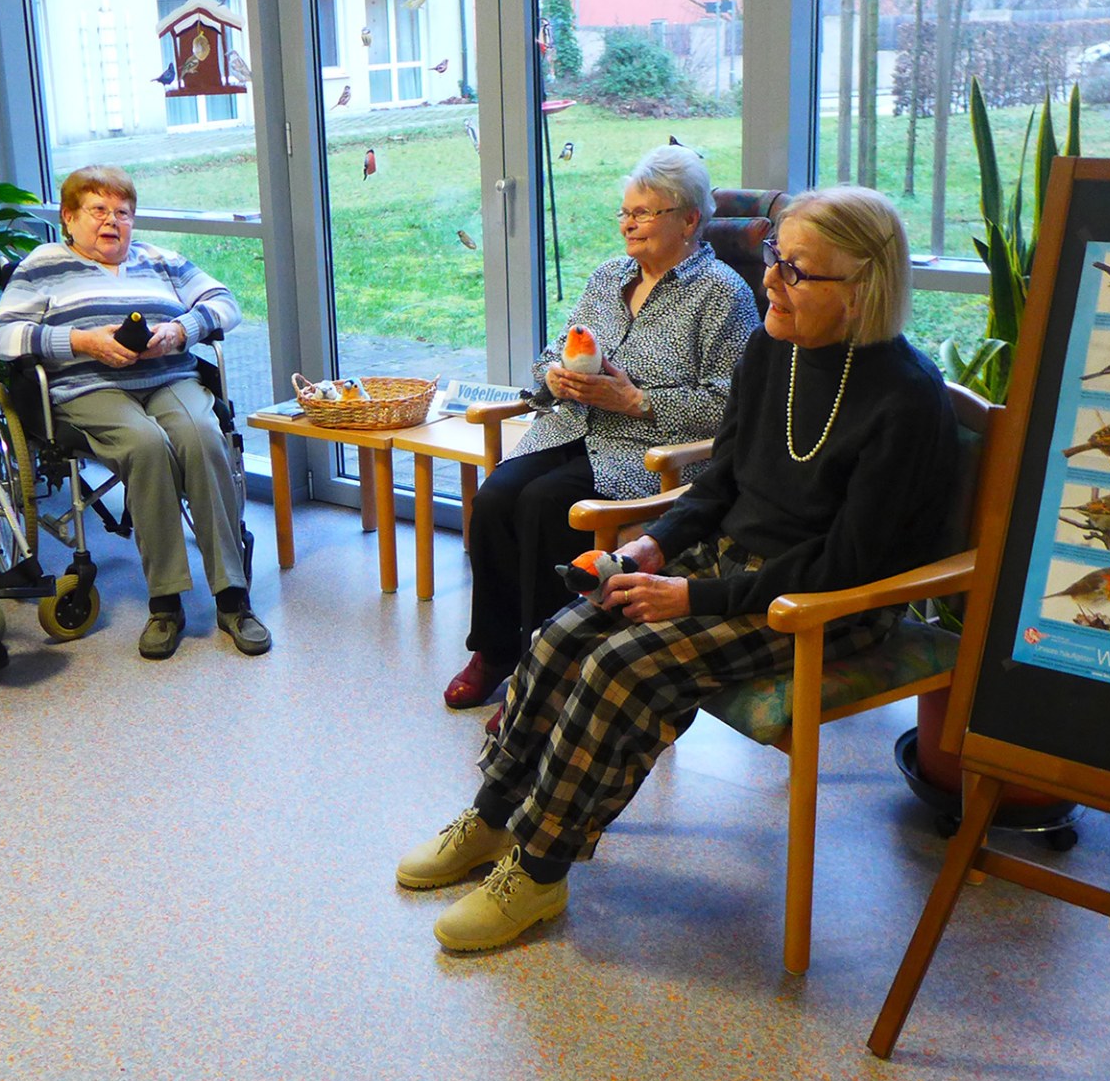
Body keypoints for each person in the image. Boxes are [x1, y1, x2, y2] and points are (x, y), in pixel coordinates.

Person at [396, 186, 960, 953]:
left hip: (824, 599)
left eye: (797, 271)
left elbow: (843, 563)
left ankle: (538, 870)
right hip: (729, 565)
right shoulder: (772, 350)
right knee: (561, 636)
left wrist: (693, 594)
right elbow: (719, 486)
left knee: (621, 668)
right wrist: (650, 550)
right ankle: (493, 817)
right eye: (774, 258)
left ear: (863, 290)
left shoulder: (910, 402)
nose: (770, 281)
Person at [445, 144, 757, 716]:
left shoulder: (724, 295)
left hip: (646, 452)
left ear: (689, 219)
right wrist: (554, 378)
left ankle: (548, 672)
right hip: (569, 428)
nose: (629, 224)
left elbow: (731, 406)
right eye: (625, 212)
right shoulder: (608, 277)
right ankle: (493, 652)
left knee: (544, 506)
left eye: (644, 212)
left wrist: (636, 400)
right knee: (492, 499)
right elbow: (552, 353)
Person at [0, 165, 267, 661]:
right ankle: (165, 603)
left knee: (203, 435)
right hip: (89, 387)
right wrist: (79, 341)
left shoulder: (161, 259)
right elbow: (2, 337)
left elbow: (225, 303)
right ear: (69, 218)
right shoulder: (42, 265)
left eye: (123, 212)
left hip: (168, 376)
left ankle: (232, 597)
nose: (111, 222)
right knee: (145, 444)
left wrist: (180, 332)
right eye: (98, 210)